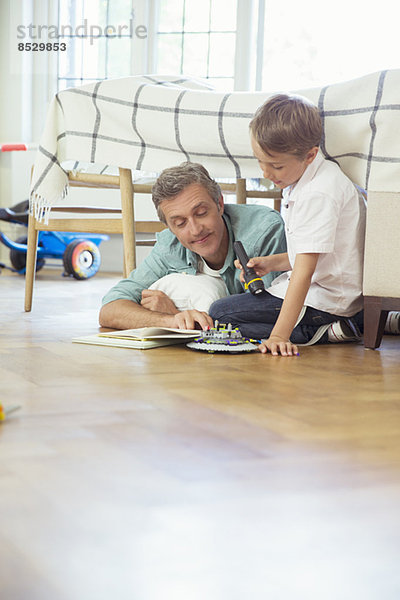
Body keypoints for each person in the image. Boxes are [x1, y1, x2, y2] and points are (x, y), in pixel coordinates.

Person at [209, 94, 366, 357]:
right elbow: (317, 255)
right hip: (329, 294)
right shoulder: (308, 179)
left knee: (222, 315)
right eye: (260, 161)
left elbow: (305, 273)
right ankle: (353, 322)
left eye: (276, 166)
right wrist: (270, 264)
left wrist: (279, 336)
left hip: (326, 302)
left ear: (309, 155)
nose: (266, 173)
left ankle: (327, 330)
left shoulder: (318, 193)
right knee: (227, 314)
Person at [99, 162, 286, 330]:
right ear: (170, 228)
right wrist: (171, 320)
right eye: (180, 223)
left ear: (219, 204)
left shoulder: (263, 230)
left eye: (201, 213)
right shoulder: (169, 246)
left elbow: (274, 314)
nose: (196, 230)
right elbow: (110, 309)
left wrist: (173, 311)